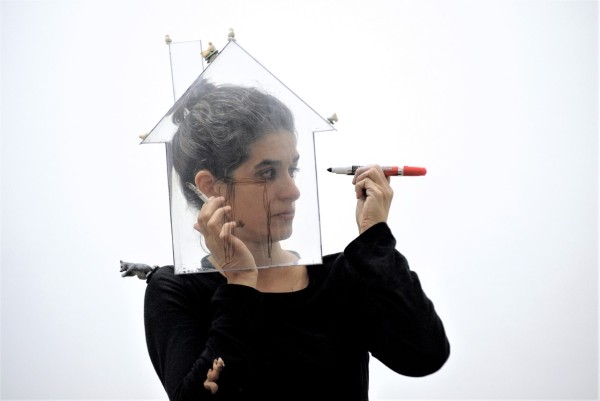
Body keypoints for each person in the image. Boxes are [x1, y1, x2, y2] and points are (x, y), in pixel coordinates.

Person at [144, 79, 450, 401]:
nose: (293, 191)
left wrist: (374, 238)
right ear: (211, 186)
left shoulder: (340, 276)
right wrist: (240, 284)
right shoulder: (179, 291)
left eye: (293, 169)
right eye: (267, 173)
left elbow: (424, 355)